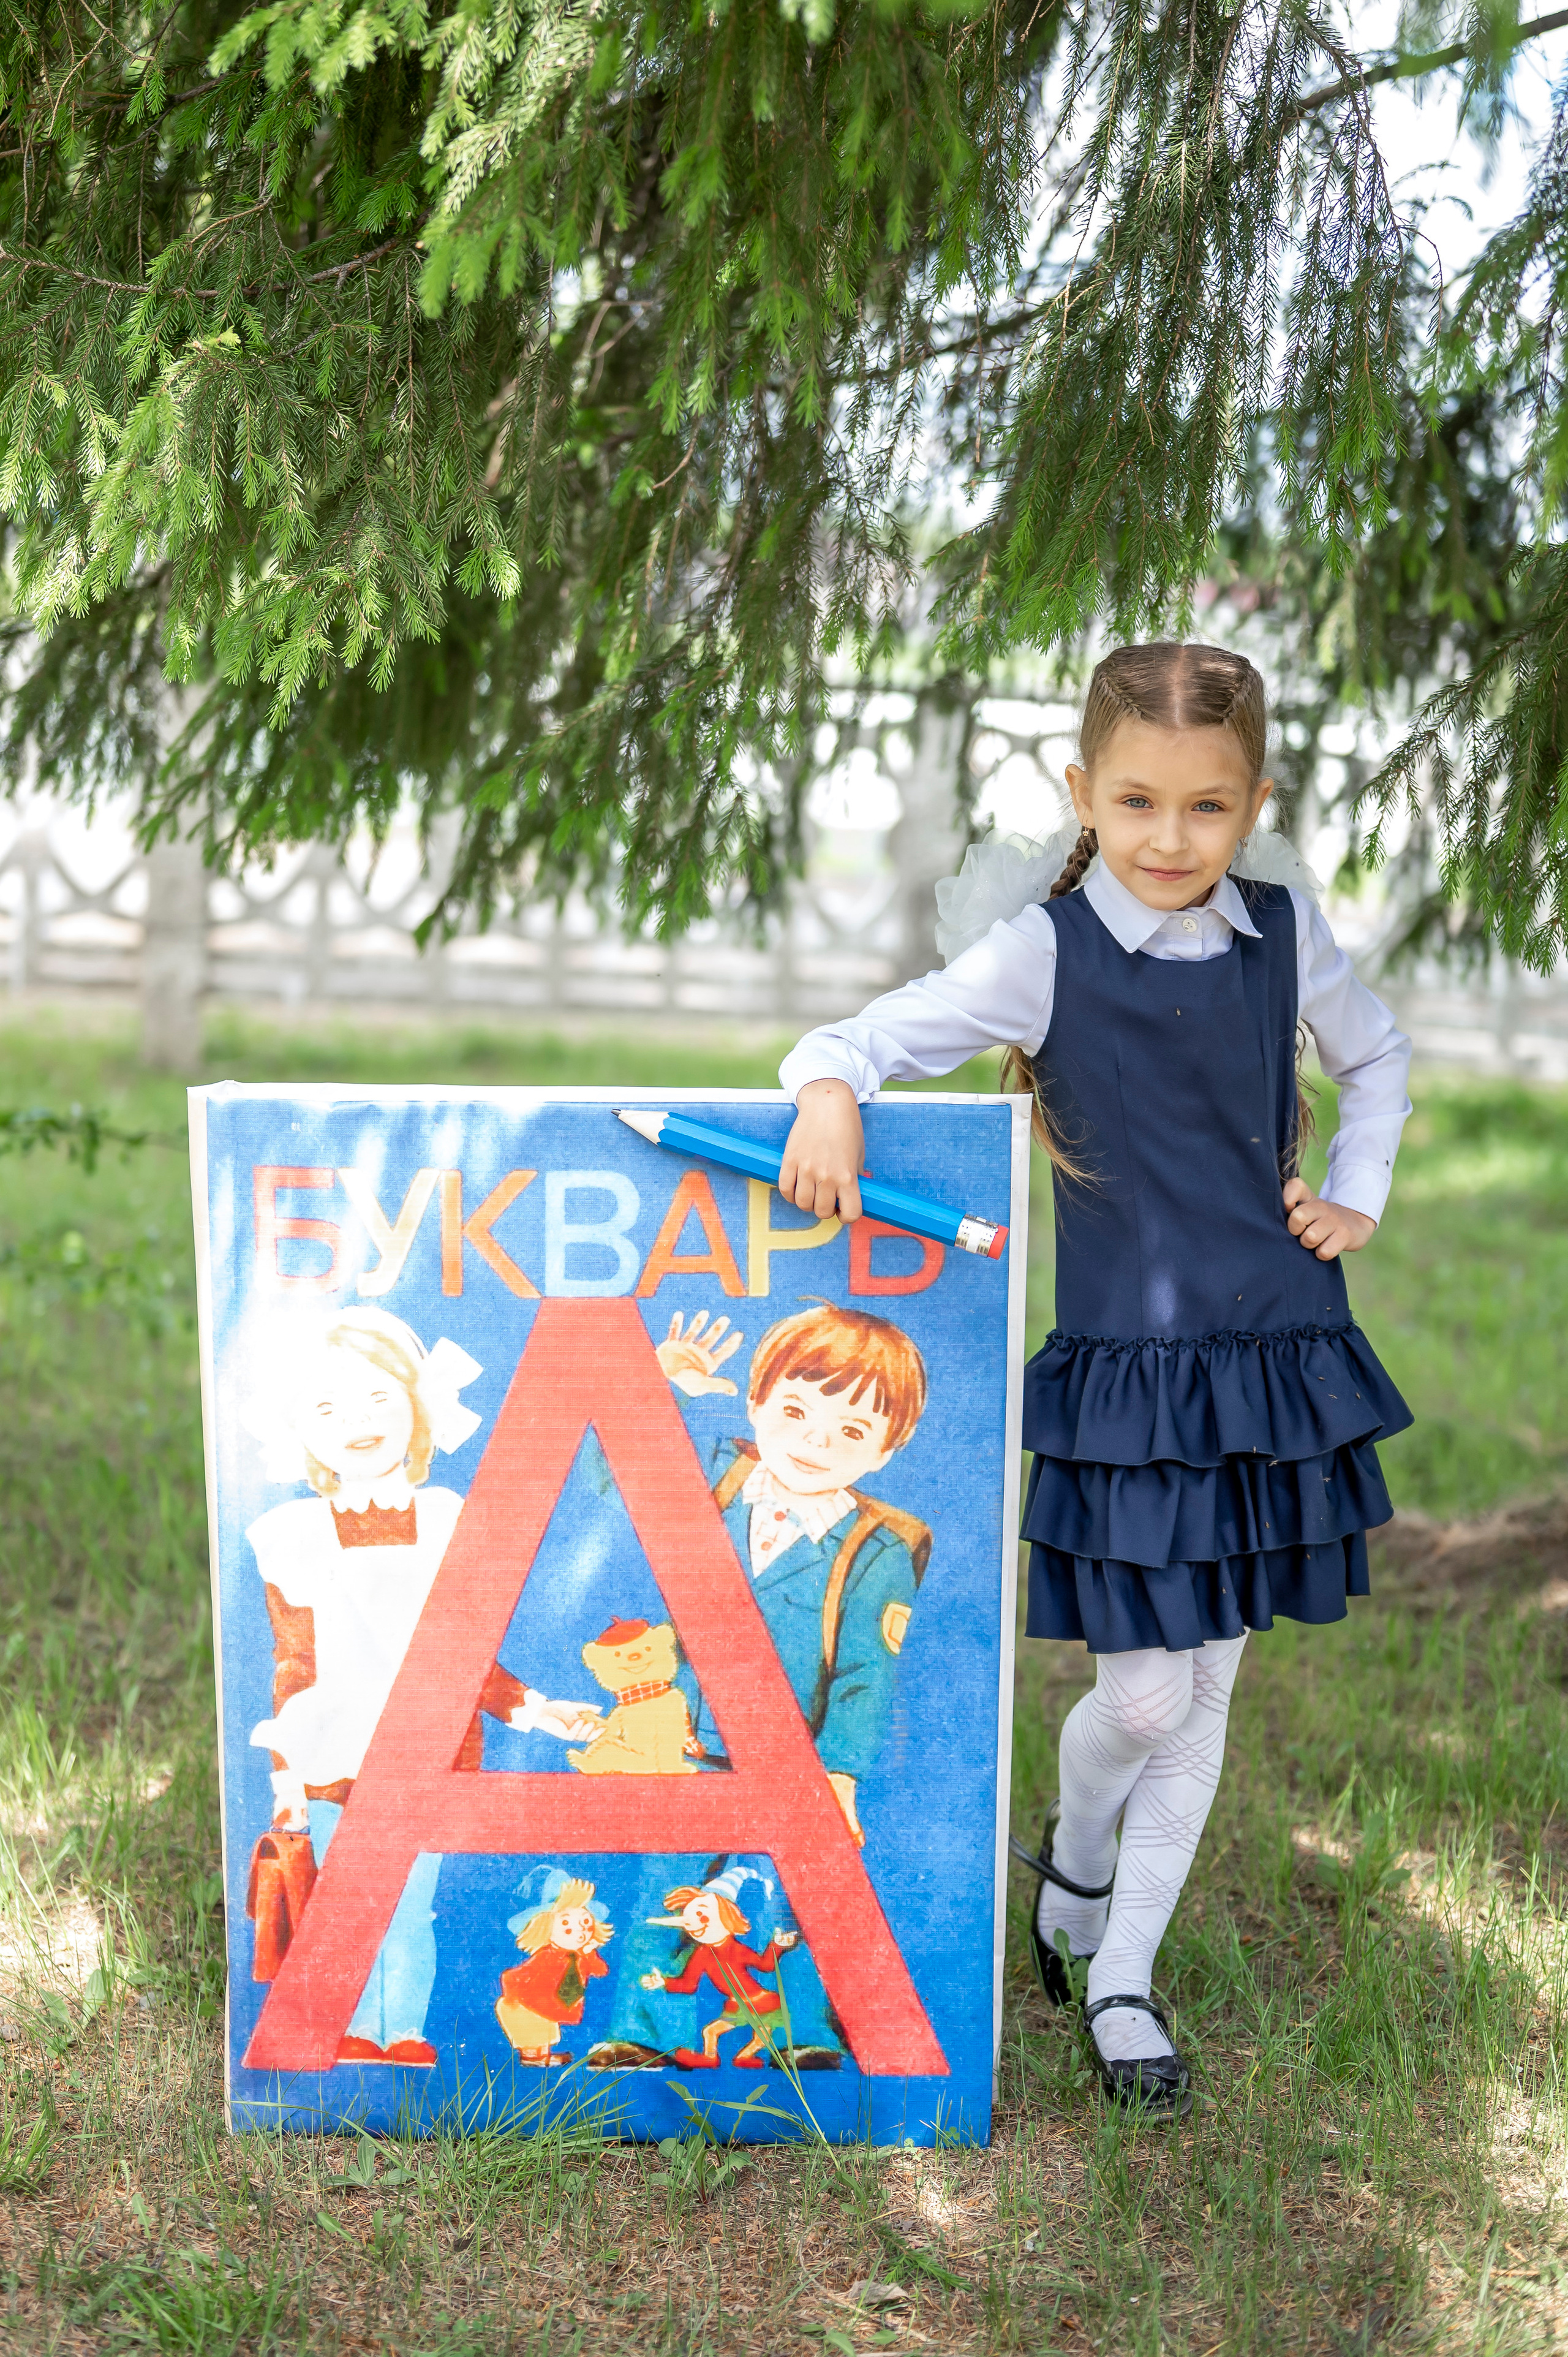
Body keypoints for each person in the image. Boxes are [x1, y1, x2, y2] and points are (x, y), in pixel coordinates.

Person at [773, 640, 1413, 2114]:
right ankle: (1071, 1858)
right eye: (1134, 801)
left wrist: (1355, 1194)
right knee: (1138, 1698)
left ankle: (1120, 1973)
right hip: (1132, 1378)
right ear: (1081, 791)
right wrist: (825, 1091)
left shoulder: (1281, 934)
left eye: (1204, 806)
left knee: (1209, 1692)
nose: (1169, 838)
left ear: (1249, 803)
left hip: (1271, 1359)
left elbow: (1374, 1063)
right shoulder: (1040, 952)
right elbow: (865, 1036)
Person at [243, 1307, 600, 2067]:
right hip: (334, 1749)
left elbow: (463, 1649)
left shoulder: (446, 1520)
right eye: (328, 1408)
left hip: (426, 1747)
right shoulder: (293, 1532)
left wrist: (533, 1709)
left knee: (408, 1905)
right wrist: (286, 1773)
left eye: (378, 1398)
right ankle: (347, 2032)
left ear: (415, 1404)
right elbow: (293, 1660)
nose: (357, 1423)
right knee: (345, 1903)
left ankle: (400, 2029)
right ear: (301, 1428)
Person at [586, 1303, 931, 2070]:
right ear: (755, 1402)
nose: (816, 1440)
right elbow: (613, 1474)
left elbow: (868, 1674)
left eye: (851, 1431)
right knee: (664, 1894)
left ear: (885, 1450)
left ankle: (802, 2033)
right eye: (798, 1410)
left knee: (796, 1899)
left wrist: (841, 1771)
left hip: (798, 1759)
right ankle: (643, 2032)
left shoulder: (875, 1549)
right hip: (694, 1743)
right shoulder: (715, 1477)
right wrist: (660, 1384)